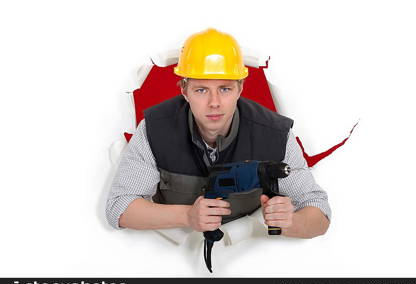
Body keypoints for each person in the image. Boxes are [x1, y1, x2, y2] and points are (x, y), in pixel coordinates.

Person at [106, 28, 331, 243]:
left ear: (240, 88)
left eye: (224, 89)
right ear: (184, 90)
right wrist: (186, 216)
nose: (214, 103)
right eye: (201, 90)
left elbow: (319, 212)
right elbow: (119, 208)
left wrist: (292, 221)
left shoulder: (275, 135)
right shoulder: (155, 130)